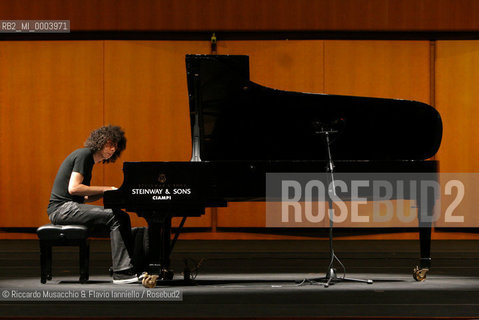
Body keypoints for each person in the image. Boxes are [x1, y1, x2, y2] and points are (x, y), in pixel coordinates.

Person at [47, 125, 138, 284]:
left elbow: (85, 197)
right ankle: (122, 272)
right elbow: (74, 189)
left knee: (120, 216)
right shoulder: (84, 155)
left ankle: (128, 267)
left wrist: (108, 193)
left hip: (69, 208)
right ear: (100, 141)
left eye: (115, 146)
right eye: (110, 144)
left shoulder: (89, 160)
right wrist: (107, 188)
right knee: (116, 216)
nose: (112, 149)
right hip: (62, 209)